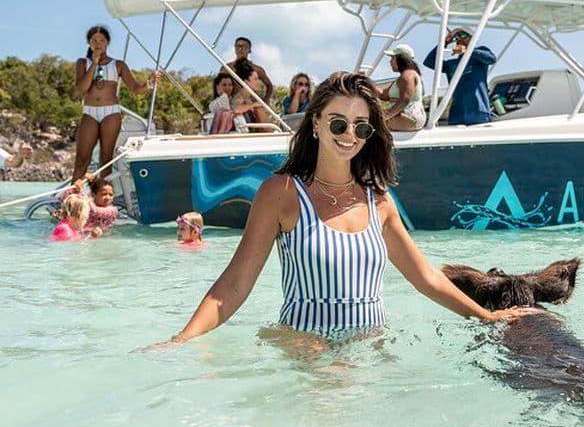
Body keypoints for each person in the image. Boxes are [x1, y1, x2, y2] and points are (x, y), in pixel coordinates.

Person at [156, 71, 521, 347]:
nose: (349, 134)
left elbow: (425, 277)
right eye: (338, 122)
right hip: (305, 347)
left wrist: (486, 317)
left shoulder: (378, 201)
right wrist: (181, 340)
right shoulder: (281, 194)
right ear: (316, 123)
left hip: (369, 349)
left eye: (361, 127)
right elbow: (234, 285)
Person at [73, 25, 160, 183]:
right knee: (82, 158)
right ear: (89, 43)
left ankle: (103, 195)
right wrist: (94, 64)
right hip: (89, 112)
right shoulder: (82, 63)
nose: (98, 44)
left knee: (106, 158)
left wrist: (149, 83)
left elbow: (135, 88)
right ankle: (72, 195)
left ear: (108, 43)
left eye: (102, 40)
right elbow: (81, 89)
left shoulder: (118, 65)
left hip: (111, 113)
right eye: (94, 41)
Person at [423, 27, 497, 125]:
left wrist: (467, 51)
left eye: (463, 35)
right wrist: (445, 42)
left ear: (472, 38)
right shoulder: (451, 64)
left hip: (478, 111)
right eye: (456, 37)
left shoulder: (479, 56)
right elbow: (428, 62)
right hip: (457, 114)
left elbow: (491, 59)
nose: (459, 39)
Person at [375, 44, 426, 131]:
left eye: (392, 58)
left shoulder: (408, 75)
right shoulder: (405, 76)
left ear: (401, 59)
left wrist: (386, 115)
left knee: (368, 121)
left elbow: (405, 100)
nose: (390, 62)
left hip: (410, 117)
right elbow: (384, 95)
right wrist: (366, 83)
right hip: (407, 116)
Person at [223, 36, 273, 108]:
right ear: (235, 49)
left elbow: (269, 85)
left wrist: (266, 100)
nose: (241, 49)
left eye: (244, 47)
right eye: (238, 46)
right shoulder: (227, 68)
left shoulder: (257, 69)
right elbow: (219, 86)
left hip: (252, 104)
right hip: (234, 105)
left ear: (249, 50)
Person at [231, 61, 270, 127]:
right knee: (258, 108)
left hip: (251, 129)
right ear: (246, 81)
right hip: (243, 130)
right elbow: (236, 109)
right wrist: (253, 105)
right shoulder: (239, 97)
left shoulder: (249, 98)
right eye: (256, 79)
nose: (260, 82)